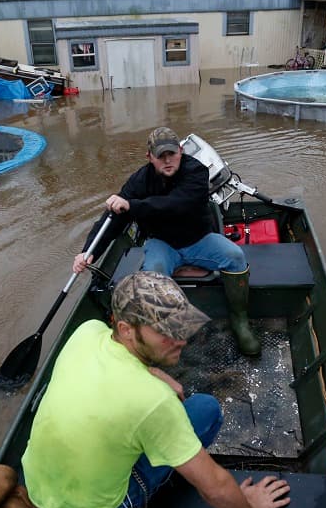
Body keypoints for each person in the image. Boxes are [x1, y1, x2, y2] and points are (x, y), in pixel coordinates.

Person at [21, 271, 291, 508]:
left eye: (180, 324)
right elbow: (213, 486)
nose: (181, 339)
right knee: (206, 410)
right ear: (125, 329)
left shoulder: (87, 331)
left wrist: (156, 373)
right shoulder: (154, 403)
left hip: (33, 484)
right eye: (165, 330)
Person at [73, 126, 260, 356]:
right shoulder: (139, 181)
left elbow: (178, 204)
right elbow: (113, 218)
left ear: (181, 151)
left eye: (172, 153)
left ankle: (240, 321)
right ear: (149, 157)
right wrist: (89, 251)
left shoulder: (196, 171)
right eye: (160, 156)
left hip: (198, 239)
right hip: (162, 243)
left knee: (236, 257)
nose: (167, 160)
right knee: (154, 276)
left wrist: (133, 206)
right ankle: (163, 335)